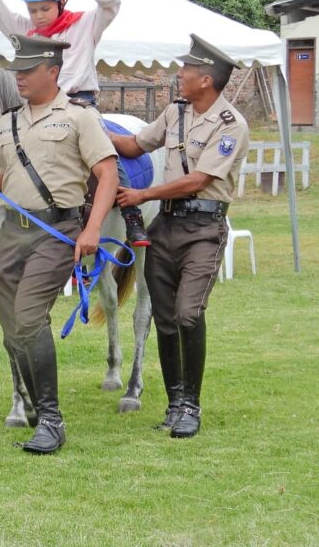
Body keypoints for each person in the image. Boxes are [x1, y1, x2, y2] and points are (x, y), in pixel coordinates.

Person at [0, 34, 120, 454]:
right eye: (16, 70)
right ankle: (37, 406)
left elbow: (107, 173)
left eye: (28, 71)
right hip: (12, 234)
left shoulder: (78, 117)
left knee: (30, 316)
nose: (18, 78)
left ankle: (51, 420)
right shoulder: (9, 122)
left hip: (56, 232)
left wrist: (91, 230)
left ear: (52, 72)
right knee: (12, 327)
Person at [107, 34, 250, 439]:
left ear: (206, 79)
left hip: (203, 230)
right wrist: (95, 128)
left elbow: (199, 179)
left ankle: (191, 405)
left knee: (189, 313)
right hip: (166, 226)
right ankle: (174, 405)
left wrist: (143, 194)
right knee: (165, 319)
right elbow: (135, 145)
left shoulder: (231, 125)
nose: (179, 73)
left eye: (186, 69)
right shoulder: (176, 113)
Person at [0, 0, 149, 246]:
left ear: (62, 3)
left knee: (105, 151)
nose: (38, 16)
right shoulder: (26, 30)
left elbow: (109, 8)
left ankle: (131, 213)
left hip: (78, 103)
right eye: (33, 10)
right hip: (39, 106)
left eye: (44, 8)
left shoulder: (84, 24)